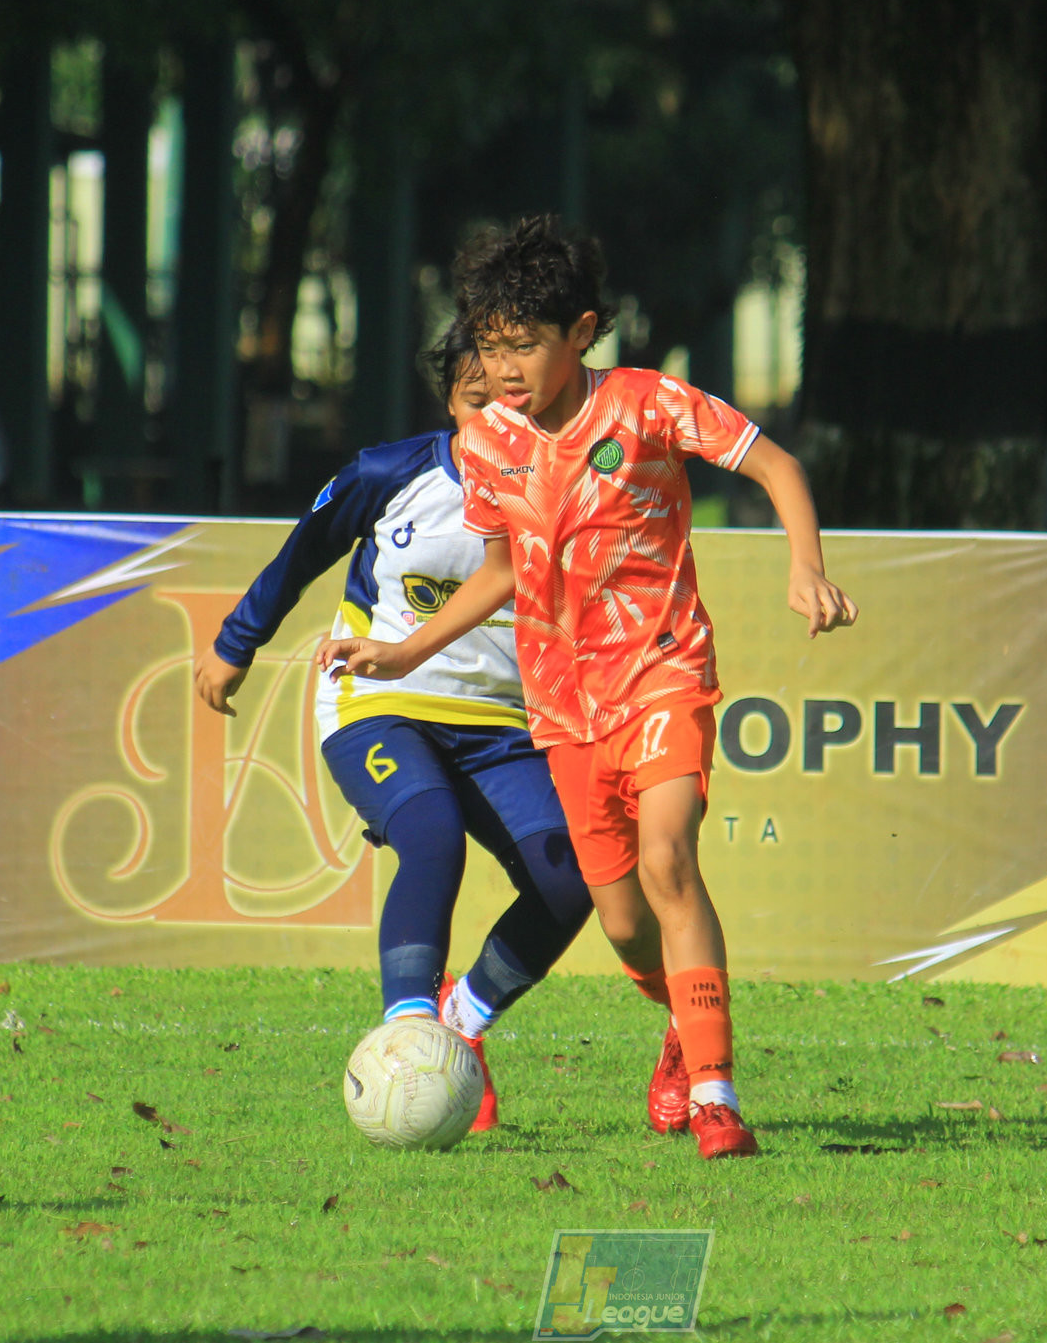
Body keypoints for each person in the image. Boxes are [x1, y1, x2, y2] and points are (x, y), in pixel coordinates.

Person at [317, 217, 858, 1160]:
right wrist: (406, 654)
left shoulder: (648, 404)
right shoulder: (490, 442)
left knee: (669, 859)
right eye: (490, 346)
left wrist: (803, 566)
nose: (505, 367)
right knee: (620, 920)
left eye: (523, 345)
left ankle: (717, 1099)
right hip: (564, 708)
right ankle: (681, 1023)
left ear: (581, 331)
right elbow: (500, 571)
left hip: (663, 672)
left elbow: (776, 464)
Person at [193, 326, 592, 1133]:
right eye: (475, 401)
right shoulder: (387, 472)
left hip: (499, 724)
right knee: (432, 834)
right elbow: (302, 550)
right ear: (448, 403)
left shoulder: (564, 486)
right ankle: (408, 1035)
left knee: (571, 882)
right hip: (378, 701)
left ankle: (459, 1024)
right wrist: (237, 642)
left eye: (513, 400)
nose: (494, 418)